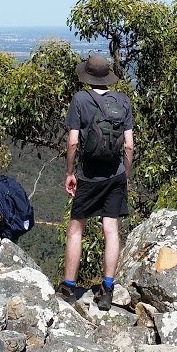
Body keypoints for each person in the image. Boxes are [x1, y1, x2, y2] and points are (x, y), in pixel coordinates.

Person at [58, 52, 134, 308]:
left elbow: (73, 141)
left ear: (87, 75)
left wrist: (70, 172)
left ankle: (69, 287)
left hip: (88, 175)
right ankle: (107, 288)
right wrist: (126, 175)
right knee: (111, 229)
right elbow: (130, 146)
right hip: (116, 174)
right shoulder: (123, 101)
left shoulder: (80, 99)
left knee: (76, 228)